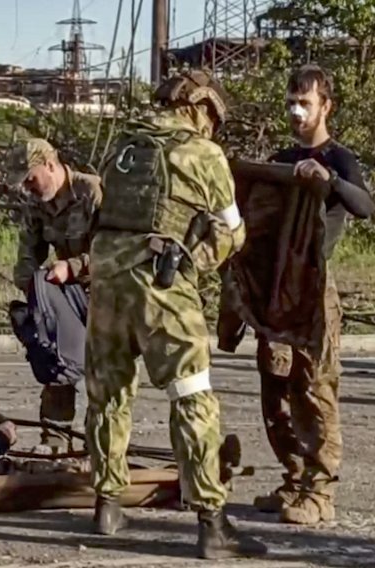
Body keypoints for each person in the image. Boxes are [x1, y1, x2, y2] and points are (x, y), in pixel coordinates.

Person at [86, 69, 267, 559]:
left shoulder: (122, 147)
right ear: (200, 108)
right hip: (161, 288)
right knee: (191, 396)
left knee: (108, 392)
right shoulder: (203, 154)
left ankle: (107, 503)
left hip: (105, 282)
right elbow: (233, 230)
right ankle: (213, 523)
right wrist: (198, 261)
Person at [252, 65, 374, 525]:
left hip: (315, 290)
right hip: (276, 288)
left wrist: (329, 180)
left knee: (316, 389)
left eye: (305, 102)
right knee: (275, 390)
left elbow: (364, 207)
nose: (296, 111)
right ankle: (293, 477)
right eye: (290, 102)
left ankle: (321, 491)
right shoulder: (281, 157)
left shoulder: (339, 158)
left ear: (327, 105)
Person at [5, 138, 102, 452]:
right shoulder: (37, 203)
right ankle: (55, 439)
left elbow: (116, 251)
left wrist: (73, 267)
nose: (28, 187)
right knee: (55, 361)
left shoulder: (92, 193)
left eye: (31, 178)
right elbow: (27, 254)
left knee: (106, 375)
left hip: (106, 292)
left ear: (50, 165)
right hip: (67, 294)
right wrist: (33, 287)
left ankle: (100, 443)